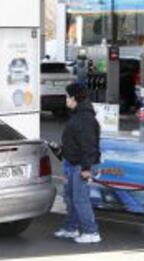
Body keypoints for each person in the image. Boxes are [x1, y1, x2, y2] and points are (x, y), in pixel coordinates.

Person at [54, 82, 101, 244]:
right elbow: (76, 140)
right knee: (71, 198)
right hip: (72, 162)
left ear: (74, 97)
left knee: (80, 199)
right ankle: (70, 228)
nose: (66, 99)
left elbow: (89, 145)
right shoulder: (77, 114)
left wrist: (86, 168)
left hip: (81, 165)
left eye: (67, 96)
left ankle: (91, 232)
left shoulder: (85, 117)